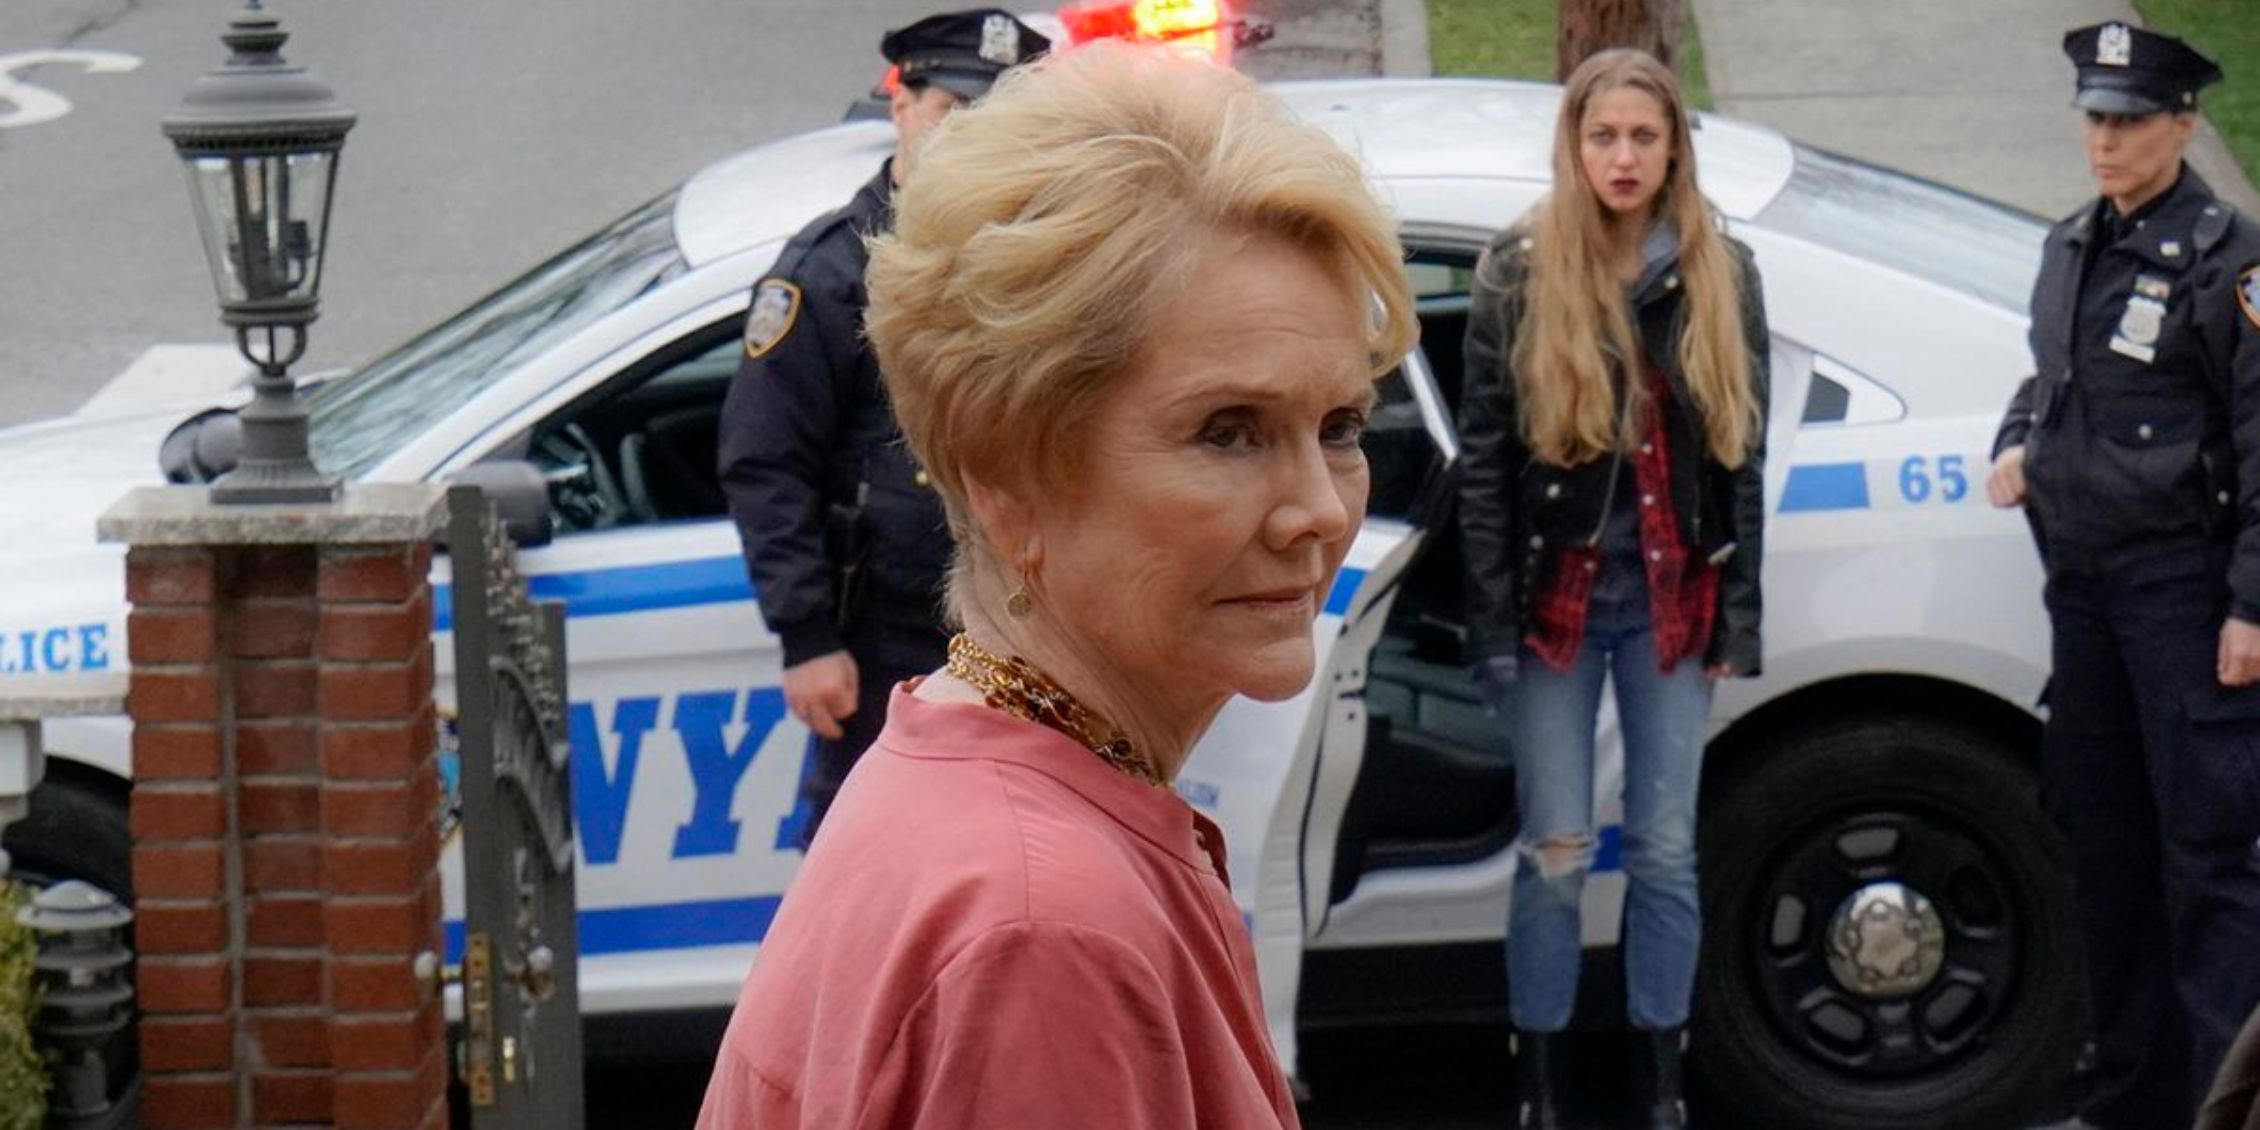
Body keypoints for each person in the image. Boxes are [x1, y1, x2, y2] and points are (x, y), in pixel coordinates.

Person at [694, 40, 1418, 1128]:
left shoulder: (956, 771)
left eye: (1340, 425)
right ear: (1005, 479)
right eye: (1227, 432)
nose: (1318, 506)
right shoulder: (1047, 931)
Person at [1458, 48, 1768, 1130]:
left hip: (1673, 606)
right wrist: (1493, 623)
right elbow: (1485, 465)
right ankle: (1539, 1079)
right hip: (1557, 603)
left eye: (1643, 136)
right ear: (1574, 147)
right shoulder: (1518, 268)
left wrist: (1740, 613)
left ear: (1675, 144)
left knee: (1666, 850)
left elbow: (1739, 463)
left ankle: (1661, 1077)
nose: (1623, 156)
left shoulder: (1719, 269)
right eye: (1603, 137)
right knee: (1551, 852)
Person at [1986, 22, 2260, 1130]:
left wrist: (2251, 602)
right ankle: (2128, 1092)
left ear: (2181, 126)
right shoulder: (2072, 243)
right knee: (2104, 845)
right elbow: (2051, 376)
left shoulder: (2227, 259)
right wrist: (2017, 438)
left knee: (2209, 861)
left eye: (2128, 121)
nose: (2104, 140)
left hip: (2182, 594)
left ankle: (2221, 1101)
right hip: (2087, 594)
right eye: (2094, 118)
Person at [716, 9, 1049, 849]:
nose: (968, 136)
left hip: (1029, 626)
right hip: (887, 640)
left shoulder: (1044, 261)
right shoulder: (828, 270)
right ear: (900, 103)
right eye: (950, 111)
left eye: (993, 119)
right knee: (875, 862)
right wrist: (808, 638)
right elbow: (767, 463)